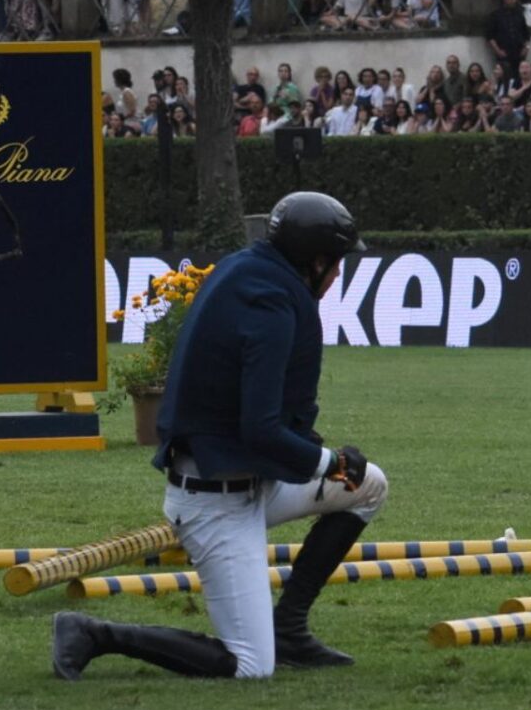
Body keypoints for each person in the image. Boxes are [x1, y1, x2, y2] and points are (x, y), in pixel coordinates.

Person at [50, 193, 386, 681]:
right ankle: (94, 633)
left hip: (246, 482)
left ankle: (289, 625)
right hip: (216, 502)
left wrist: (322, 457)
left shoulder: (252, 272)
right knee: (250, 666)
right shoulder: (269, 302)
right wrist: (327, 460)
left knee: (369, 486)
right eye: (335, 264)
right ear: (314, 261)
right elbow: (261, 428)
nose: (337, 276)